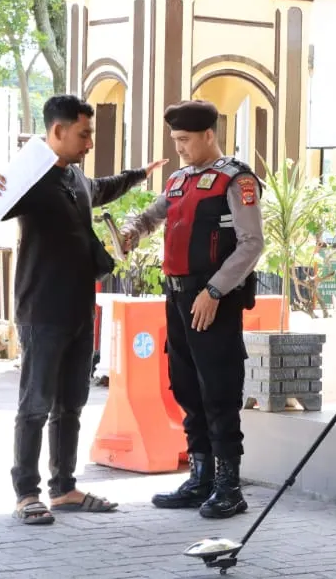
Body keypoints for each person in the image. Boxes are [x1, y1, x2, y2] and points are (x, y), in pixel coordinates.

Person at [0, 95, 164, 526]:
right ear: (56, 131)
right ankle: (26, 492)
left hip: (81, 306)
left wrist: (139, 176)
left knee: (72, 403)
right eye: (83, 134)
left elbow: (101, 189)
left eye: (91, 133)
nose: (89, 142)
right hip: (42, 308)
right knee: (36, 404)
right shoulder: (29, 179)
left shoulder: (75, 178)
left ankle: (63, 488)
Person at [122, 99, 265, 520]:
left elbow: (251, 243)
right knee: (186, 385)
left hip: (212, 302)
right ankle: (200, 475)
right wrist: (132, 229)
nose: (180, 148)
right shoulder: (180, 180)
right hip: (178, 297)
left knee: (218, 390)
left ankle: (228, 485)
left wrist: (216, 290)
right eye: (174, 140)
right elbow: (154, 216)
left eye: (185, 140)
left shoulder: (236, 180)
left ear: (208, 135)